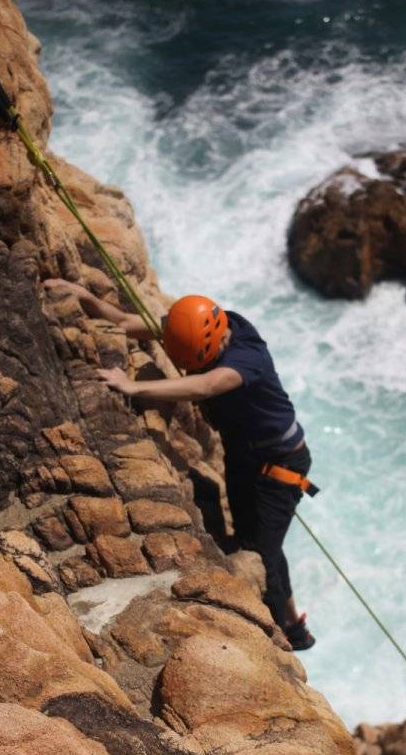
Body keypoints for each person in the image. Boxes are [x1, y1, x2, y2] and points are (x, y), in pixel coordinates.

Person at [44, 278, 317, 650]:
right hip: (243, 455)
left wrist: (134, 387)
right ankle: (285, 614)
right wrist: (85, 298)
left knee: (261, 552)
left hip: (280, 466)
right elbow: (127, 322)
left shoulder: (244, 360)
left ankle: (287, 630)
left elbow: (205, 386)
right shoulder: (203, 326)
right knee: (248, 538)